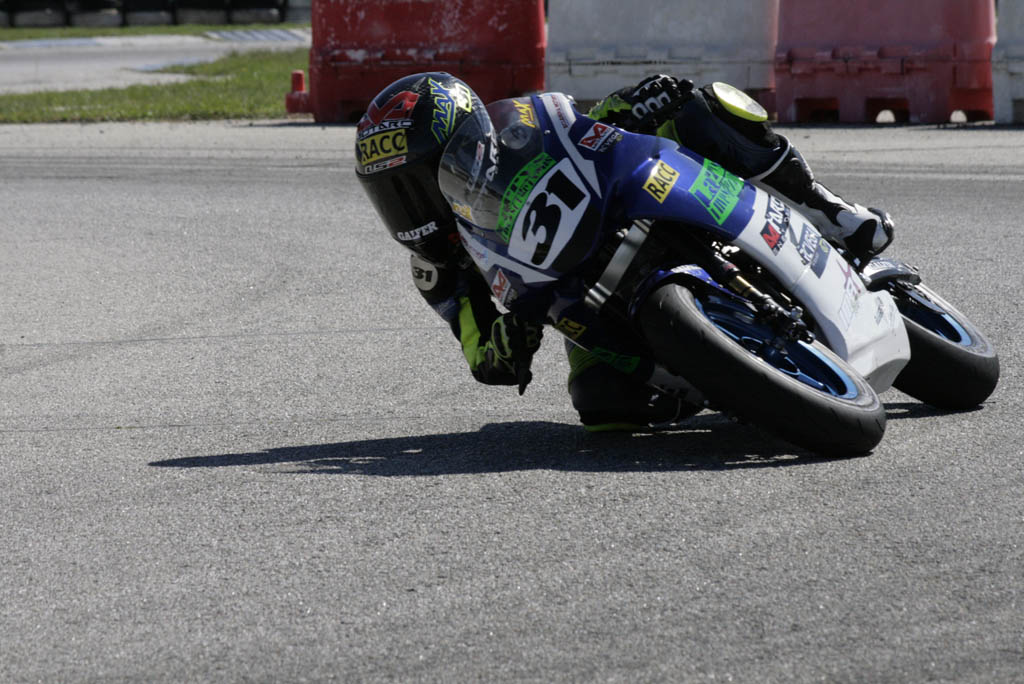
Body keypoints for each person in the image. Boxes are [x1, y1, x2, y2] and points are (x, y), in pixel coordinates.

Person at [354, 72, 895, 431]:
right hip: (580, 298)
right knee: (604, 404)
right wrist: (506, 342)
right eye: (394, 196)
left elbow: (576, 125)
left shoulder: (517, 131)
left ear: (472, 143)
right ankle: (726, 378)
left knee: (700, 107)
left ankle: (831, 212)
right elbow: (484, 357)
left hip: (631, 198)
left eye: (420, 185)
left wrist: (635, 103)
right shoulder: (438, 268)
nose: (414, 208)